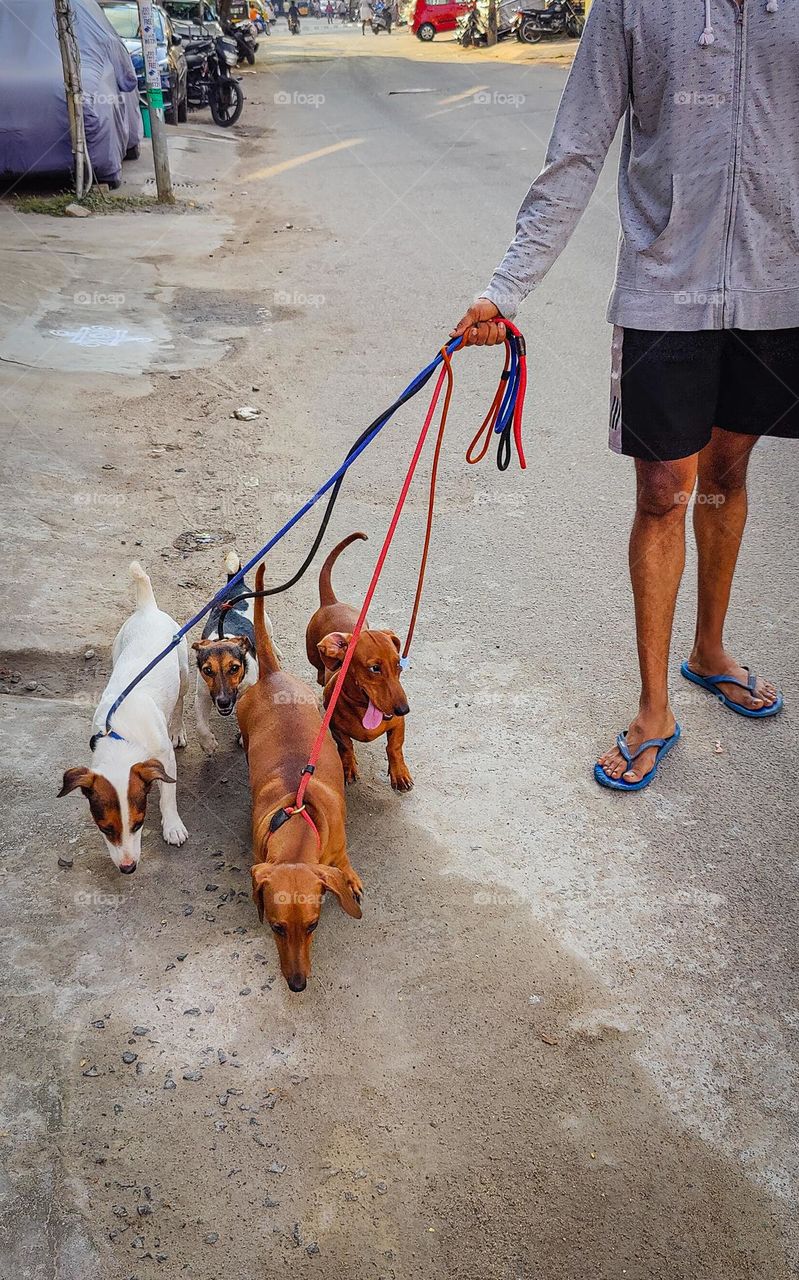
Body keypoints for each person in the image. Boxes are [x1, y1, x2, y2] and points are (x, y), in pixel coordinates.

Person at [452, 0, 796, 792]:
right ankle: (652, 709)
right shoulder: (631, 8)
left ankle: (709, 651)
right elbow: (574, 151)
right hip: (663, 291)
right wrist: (506, 289)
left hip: (776, 288)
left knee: (729, 473)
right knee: (660, 492)